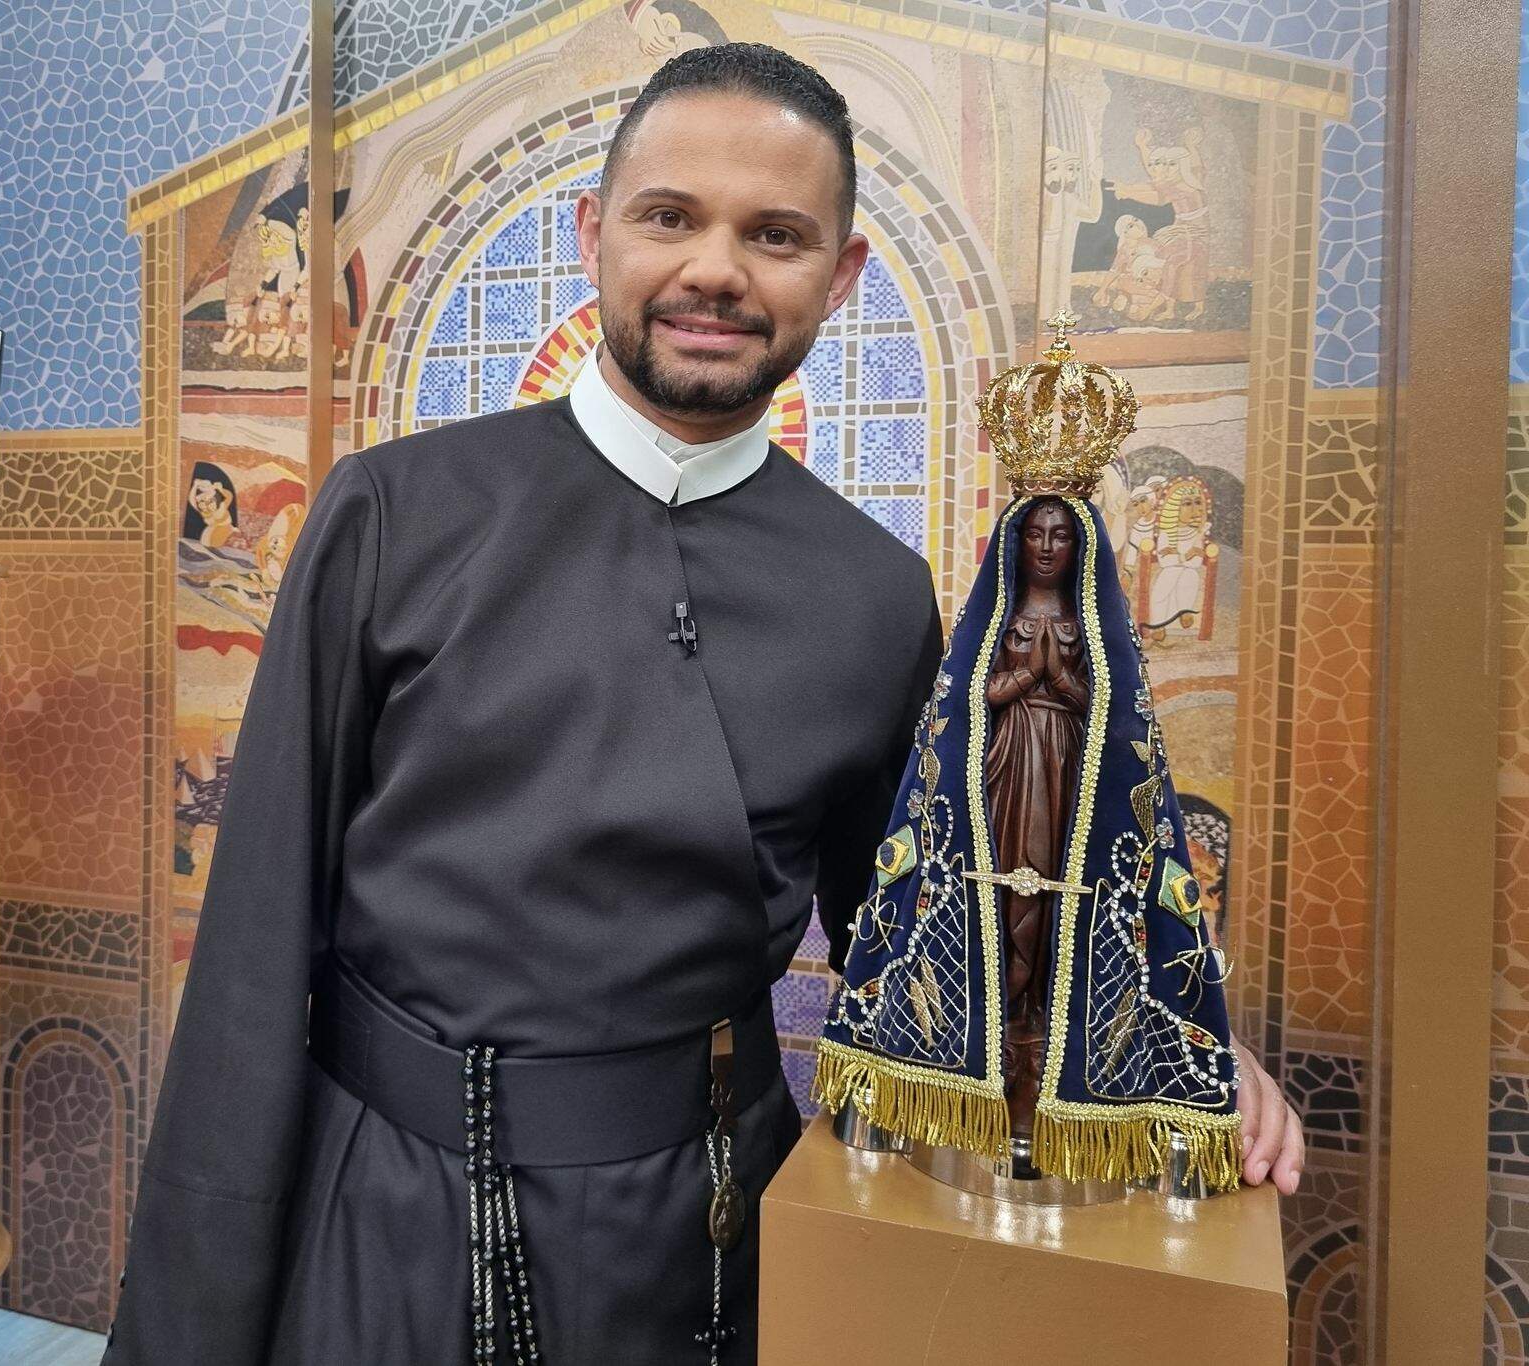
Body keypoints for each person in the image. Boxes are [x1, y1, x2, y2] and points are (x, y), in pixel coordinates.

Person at [102, 43, 1303, 1366]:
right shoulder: (392, 514)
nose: (716, 270)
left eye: (775, 234)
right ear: (593, 236)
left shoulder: (873, 592)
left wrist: (1168, 1054)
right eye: (668, 217)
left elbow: (925, 940)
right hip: (387, 1218)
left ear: (839, 275)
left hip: (707, 1234)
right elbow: (256, 944)